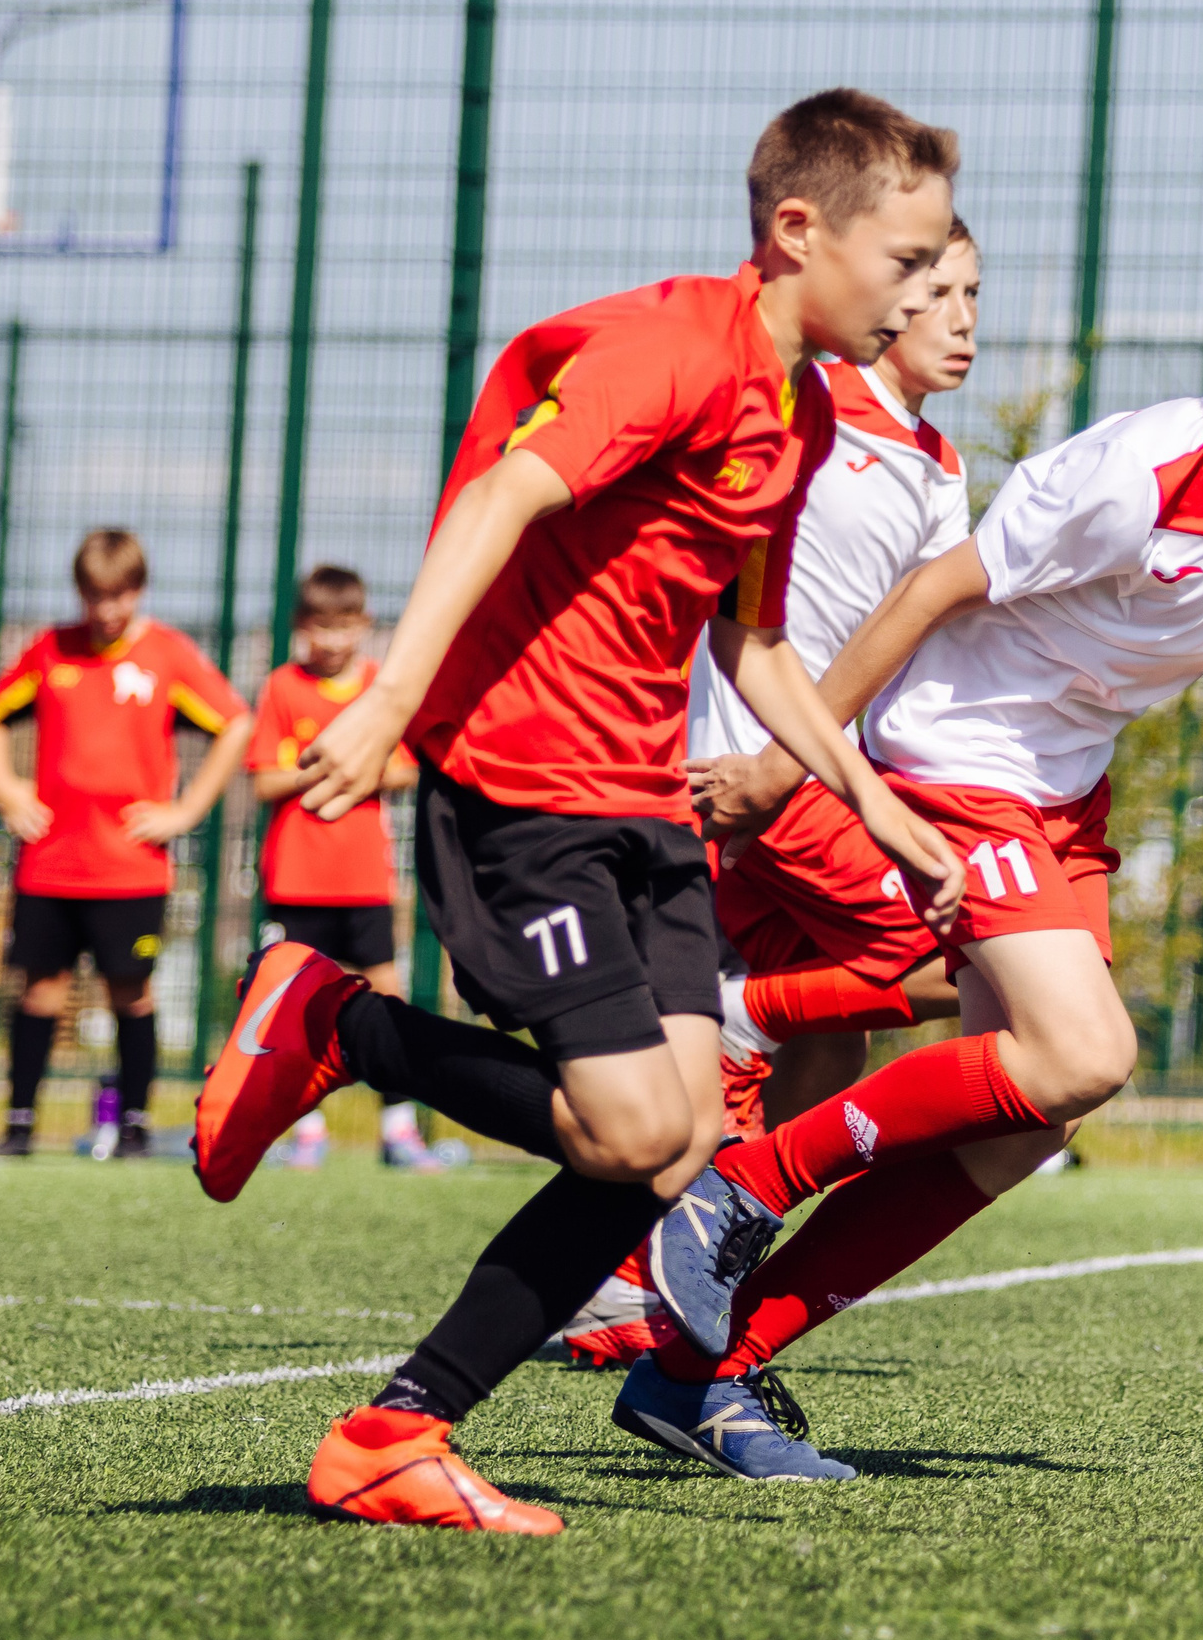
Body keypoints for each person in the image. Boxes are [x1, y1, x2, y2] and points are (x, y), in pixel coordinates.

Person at [186, 88, 967, 1533]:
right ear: (801, 231)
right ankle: (329, 1020)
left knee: (673, 1144)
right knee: (623, 1128)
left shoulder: (796, 414)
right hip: (518, 780)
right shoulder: (672, 347)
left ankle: (393, 1434)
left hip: (644, 801)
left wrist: (869, 797)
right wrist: (388, 702)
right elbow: (501, 497)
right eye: (909, 260)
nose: (927, 291)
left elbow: (755, 641)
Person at [611, 193, 1203, 1481]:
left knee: (1023, 1121)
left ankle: (698, 1374)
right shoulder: (1132, 475)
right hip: (957, 755)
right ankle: (741, 1185)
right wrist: (791, 756)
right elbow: (930, 591)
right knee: (1083, 1049)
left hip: (1064, 789)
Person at [561, 220, 981, 1368]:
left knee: (822, 1051)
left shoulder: (940, 464)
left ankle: (658, 1272)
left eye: (971, 295)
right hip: (754, 765)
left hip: (828, 773)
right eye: (935, 288)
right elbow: (737, 602)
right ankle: (744, 1022)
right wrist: (772, 760)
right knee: (968, 961)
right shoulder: (811, 404)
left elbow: (916, 633)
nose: (959, 318)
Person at [0, 528, 251, 1159]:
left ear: (138, 590)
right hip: (49, 863)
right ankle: (19, 1125)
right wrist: (8, 790)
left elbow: (236, 722)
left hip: (130, 869)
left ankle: (134, 1125)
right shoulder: (50, 650)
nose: (106, 610)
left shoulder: (169, 655)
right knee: (40, 990)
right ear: (80, 592)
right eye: (95, 595)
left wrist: (186, 809)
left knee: (131, 992)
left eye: (119, 595)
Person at [246, 565, 434, 1171]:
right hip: (294, 879)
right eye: (320, 627)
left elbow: (406, 768)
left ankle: (399, 1129)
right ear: (302, 627)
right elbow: (266, 778)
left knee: (386, 999)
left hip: (362, 881)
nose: (331, 640)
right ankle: (307, 1133)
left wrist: (351, 769)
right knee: (294, 1005)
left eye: (344, 627)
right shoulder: (281, 686)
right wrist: (331, 770)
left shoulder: (381, 688)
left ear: (364, 626)